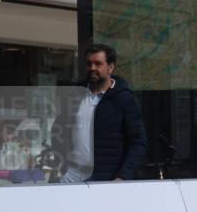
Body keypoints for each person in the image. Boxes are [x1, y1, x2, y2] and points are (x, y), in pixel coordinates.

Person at [57, 44, 146, 182]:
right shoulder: (75, 95)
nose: (92, 68)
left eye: (98, 64)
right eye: (89, 63)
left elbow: (137, 142)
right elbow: (58, 129)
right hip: (71, 174)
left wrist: (122, 176)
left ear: (111, 67)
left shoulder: (124, 99)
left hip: (105, 178)